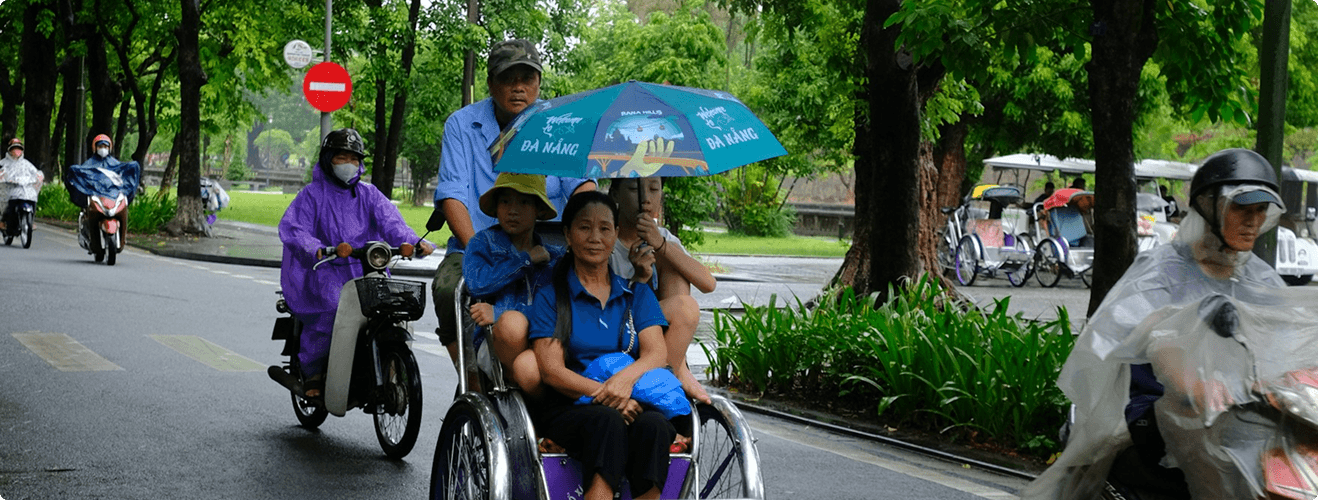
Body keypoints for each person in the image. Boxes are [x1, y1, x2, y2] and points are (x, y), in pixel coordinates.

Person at [1023, 148, 1288, 499]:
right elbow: (1124, 335)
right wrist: (1179, 354)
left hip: (1243, 415)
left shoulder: (1263, 279)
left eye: (1260, 210)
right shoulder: (1160, 272)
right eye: (1241, 208)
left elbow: (1290, 337)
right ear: (1209, 206)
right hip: (1158, 411)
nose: (1253, 220)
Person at [431, 38, 594, 369]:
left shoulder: (558, 124)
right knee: (449, 289)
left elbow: (582, 185)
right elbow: (453, 195)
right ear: (491, 83)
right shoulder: (462, 125)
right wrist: (480, 251)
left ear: (538, 82)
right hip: (477, 241)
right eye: (508, 79)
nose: (519, 88)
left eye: (528, 79)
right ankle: (472, 379)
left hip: (546, 241)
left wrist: (590, 233)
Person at [529, 191, 689, 500]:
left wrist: (622, 383)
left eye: (605, 228)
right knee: (608, 420)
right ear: (567, 234)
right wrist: (608, 396)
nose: (595, 237)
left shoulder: (635, 295)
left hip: (629, 395)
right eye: (584, 227)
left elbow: (656, 353)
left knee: (655, 425)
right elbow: (552, 372)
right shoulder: (552, 297)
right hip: (570, 404)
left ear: (615, 234)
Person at [278, 128, 435, 398]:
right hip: (325, 272)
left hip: (367, 270)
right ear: (328, 159)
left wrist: (415, 243)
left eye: (353, 157)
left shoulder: (370, 195)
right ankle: (313, 371)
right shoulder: (312, 195)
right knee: (331, 309)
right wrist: (316, 248)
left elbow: (393, 224)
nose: (348, 163)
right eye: (341, 157)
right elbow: (294, 229)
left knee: (392, 310)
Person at [609, 177, 716, 404]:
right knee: (684, 307)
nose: (646, 199)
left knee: (674, 265)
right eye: (634, 189)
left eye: (654, 189)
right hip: (618, 325)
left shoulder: (663, 238)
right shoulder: (606, 238)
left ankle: (676, 367)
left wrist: (661, 245)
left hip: (656, 329)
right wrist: (639, 278)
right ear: (615, 194)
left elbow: (708, 284)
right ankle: (675, 372)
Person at [463, 173, 565, 396]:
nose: (513, 210)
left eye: (524, 202)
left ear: (538, 209)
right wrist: (524, 261)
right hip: (496, 346)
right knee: (513, 325)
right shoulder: (482, 244)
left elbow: (558, 310)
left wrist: (498, 312)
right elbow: (477, 284)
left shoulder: (554, 257)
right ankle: (514, 384)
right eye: (505, 201)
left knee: (530, 357)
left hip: (543, 343)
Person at [66, 134, 141, 252]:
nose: (103, 148)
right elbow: (80, 175)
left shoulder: (115, 164)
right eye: (100, 146)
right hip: (96, 197)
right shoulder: (88, 165)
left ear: (110, 148)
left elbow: (122, 176)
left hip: (111, 198)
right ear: (95, 147)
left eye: (106, 146)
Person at [0, 139, 42, 232]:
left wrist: (38, 177)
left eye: (18, 148)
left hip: (25, 189)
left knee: (33, 199)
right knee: (5, 203)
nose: (16, 151)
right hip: (10, 189)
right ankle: (3, 220)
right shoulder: (4, 163)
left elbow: (35, 173)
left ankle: (31, 220)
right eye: (14, 148)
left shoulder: (26, 163)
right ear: (10, 150)